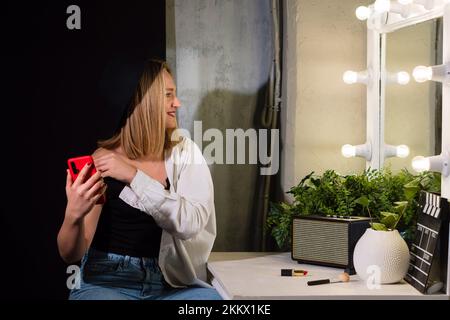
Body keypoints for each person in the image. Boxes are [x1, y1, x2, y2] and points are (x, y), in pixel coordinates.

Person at [57, 59, 221, 300]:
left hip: (168, 284)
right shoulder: (103, 161)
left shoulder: (186, 153)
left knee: (216, 301)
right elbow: (70, 253)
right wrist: (73, 215)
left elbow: (190, 224)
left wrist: (133, 176)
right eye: (168, 95)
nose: (177, 103)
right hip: (108, 281)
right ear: (142, 101)